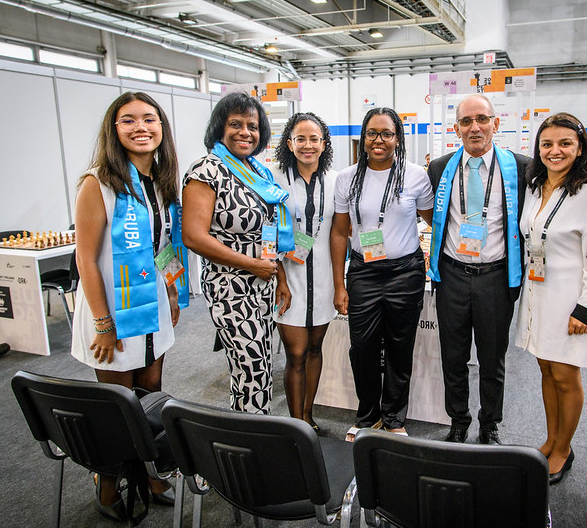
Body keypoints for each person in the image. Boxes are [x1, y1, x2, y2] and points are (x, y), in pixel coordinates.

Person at [71, 91, 188, 520]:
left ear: (162, 128)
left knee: (150, 397)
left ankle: (151, 474)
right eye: (128, 120)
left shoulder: (160, 181)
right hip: (114, 311)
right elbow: (86, 259)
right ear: (113, 129)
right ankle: (107, 483)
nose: (141, 127)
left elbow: (163, 246)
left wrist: (173, 291)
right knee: (118, 405)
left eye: (149, 119)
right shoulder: (97, 183)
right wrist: (103, 324)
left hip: (152, 302)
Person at [427, 94, 531, 445]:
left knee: (492, 358)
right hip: (453, 275)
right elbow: (433, 216)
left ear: (495, 124)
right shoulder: (441, 168)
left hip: (496, 278)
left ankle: (490, 424)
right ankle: (458, 419)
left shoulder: (520, 167)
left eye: (482, 119)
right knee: (453, 356)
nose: (475, 127)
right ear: (456, 128)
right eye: (466, 121)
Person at [182, 92, 293, 414]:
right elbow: (194, 236)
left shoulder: (258, 172)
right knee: (251, 366)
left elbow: (267, 231)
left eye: (252, 126)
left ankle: (251, 434)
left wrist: (278, 276)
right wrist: (251, 265)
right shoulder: (207, 170)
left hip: (262, 285)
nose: (245, 132)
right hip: (230, 287)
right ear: (220, 128)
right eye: (235, 124)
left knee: (260, 366)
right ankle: (249, 446)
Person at [516, 113, 587, 483]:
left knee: (566, 375)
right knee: (546, 369)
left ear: (580, 147)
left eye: (565, 143)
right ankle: (551, 438)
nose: (555, 151)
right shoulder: (536, 186)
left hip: (571, 298)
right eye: (547, 144)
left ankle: (564, 449)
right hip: (538, 292)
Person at [330, 107, 433, 441]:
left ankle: (393, 417)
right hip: (364, 272)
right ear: (363, 138)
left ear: (397, 139)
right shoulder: (347, 178)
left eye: (387, 134)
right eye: (372, 133)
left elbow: (434, 220)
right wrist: (338, 284)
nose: (379, 140)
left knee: (401, 346)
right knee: (362, 348)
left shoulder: (416, 175)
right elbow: (339, 232)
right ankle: (368, 416)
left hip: (405, 273)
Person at [272, 112, 337, 432]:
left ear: (324, 144)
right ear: (289, 143)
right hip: (288, 281)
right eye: (301, 138)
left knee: (315, 349)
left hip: (323, 278)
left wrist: (340, 284)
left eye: (314, 139)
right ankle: (295, 424)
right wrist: (279, 278)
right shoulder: (273, 179)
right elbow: (266, 234)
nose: (308, 145)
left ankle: (308, 416)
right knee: (295, 354)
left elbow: (341, 231)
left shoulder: (336, 180)